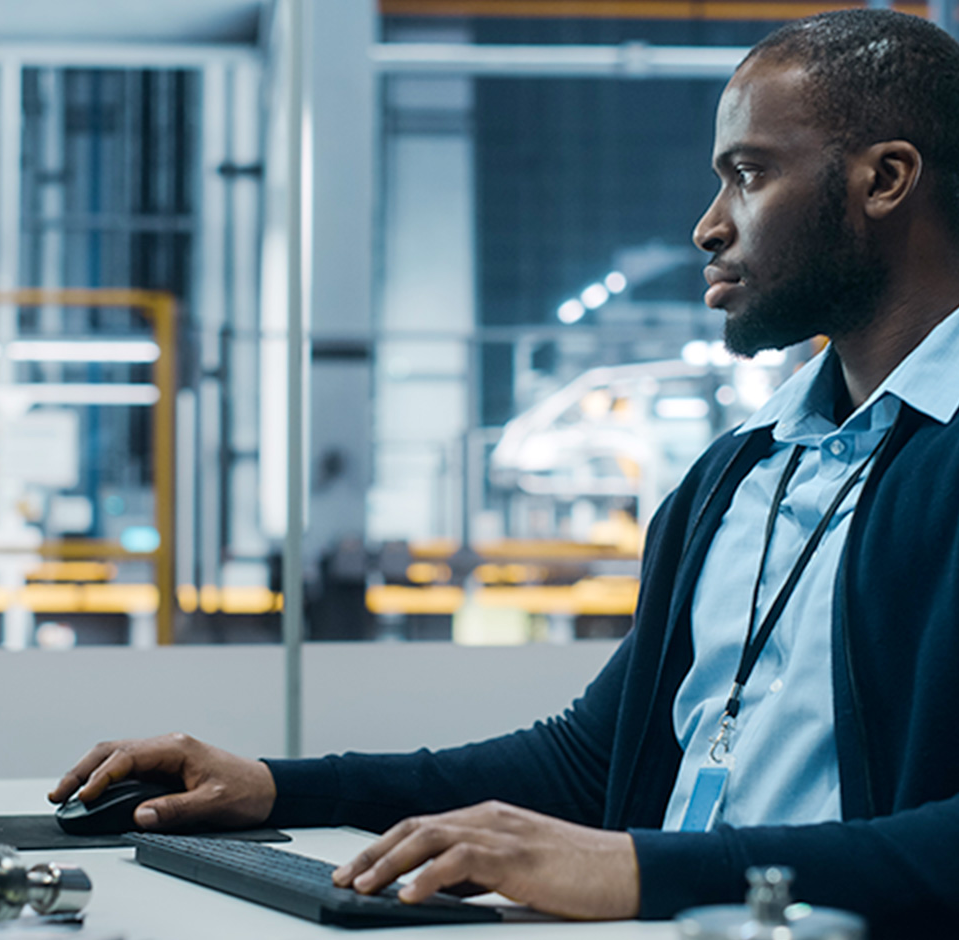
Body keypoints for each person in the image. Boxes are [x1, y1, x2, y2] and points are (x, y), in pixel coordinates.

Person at [49, 10, 959, 934]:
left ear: (884, 180)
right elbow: (588, 763)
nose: (708, 226)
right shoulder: (739, 474)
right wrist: (276, 788)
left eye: (749, 173)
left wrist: (638, 870)